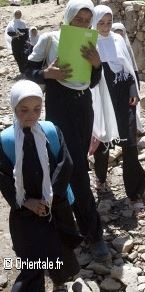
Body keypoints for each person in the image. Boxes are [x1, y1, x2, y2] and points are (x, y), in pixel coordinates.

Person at [24, 0, 109, 261]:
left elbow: (91, 82)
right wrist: (47, 74)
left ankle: (66, 226)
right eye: (78, 20)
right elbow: (26, 72)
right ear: (68, 18)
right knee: (75, 170)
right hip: (60, 109)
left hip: (84, 110)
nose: (83, 24)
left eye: (87, 20)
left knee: (75, 166)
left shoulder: (89, 42)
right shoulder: (50, 39)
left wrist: (97, 65)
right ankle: (93, 234)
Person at [0, 80, 81, 292]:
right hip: (25, 211)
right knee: (31, 256)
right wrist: (26, 202)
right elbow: (4, 177)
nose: (31, 115)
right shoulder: (6, 141)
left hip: (54, 206)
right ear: (14, 108)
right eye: (24, 110)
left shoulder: (51, 131)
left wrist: (49, 197)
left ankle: (59, 281)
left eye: (37, 109)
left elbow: (65, 164)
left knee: (59, 248)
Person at [90, 5, 145, 217]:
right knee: (103, 146)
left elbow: (128, 69)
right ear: (94, 23)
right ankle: (102, 180)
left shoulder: (118, 40)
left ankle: (135, 195)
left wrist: (133, 90)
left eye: (108, 22)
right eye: (101, 23)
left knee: (130, 146)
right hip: (102, 102)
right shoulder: (89, 44)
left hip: (125, 101)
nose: (105, 27)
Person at [111, 22, 140, 86]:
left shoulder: (127, 47)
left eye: (121, 34)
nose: (119, 37)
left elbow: (132, 65)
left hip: (129, 77)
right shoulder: (109, 48)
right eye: (116, 34)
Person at [5, 9, 29, 74]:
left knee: (24, 56)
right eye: (17, 14)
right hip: (15, 43)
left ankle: (26, 71)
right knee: (17, 56)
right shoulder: (11, 23)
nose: (18, 15)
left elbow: (27, 33)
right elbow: (9, 32)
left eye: (19, 14)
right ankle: (22, 71)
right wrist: (16, 34)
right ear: (14, 14)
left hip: (23, 43)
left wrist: (27, 40)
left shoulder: (23, 23)